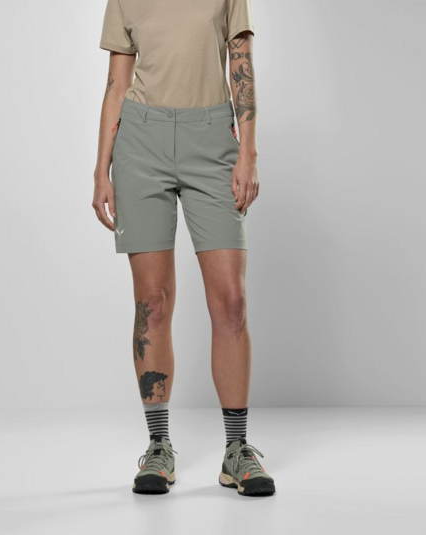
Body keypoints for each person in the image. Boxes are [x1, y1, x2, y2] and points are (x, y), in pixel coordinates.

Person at [93, 0, 275, 496]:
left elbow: (241, 62)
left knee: (231, 300)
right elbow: (116, 82)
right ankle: (158, 446)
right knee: (151, 302)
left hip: (212, 138)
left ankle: (237, 450)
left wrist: (248, 151)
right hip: (140, 142)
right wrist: (101, 168)